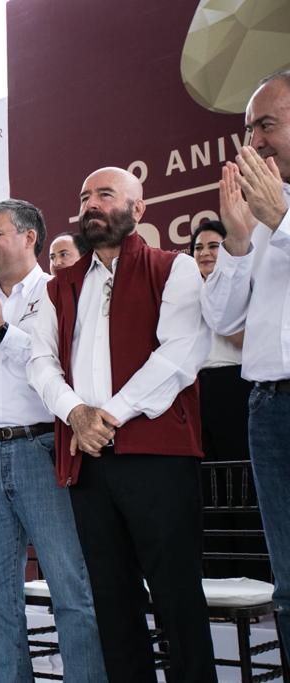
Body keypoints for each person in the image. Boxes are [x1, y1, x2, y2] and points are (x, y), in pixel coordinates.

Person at [29, 167, 215, 681]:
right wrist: (76, 413)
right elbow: (39, 362)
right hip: (88, 461)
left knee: (177, 596)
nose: (91, 204)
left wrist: (106, 416)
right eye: (84, 196)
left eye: (105, 195)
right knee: (112, 601)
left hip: (157, 458)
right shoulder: (59, 286)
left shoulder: (171, 267)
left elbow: (180, 354)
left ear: (137, 209)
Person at [0, 200, 105, 682]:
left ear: (29, 237)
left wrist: (1, 332)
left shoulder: (56, 293)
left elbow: (59, 365)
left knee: (71, 586)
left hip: (42, 449)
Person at [201, 69, 290, 655]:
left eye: (267, 125)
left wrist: (281, 221)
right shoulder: (256, 216)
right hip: (269, 410)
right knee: (289, 581)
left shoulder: (275, 213)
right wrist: (237, 240)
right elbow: (222, 315)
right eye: (249, 128)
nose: (254, 141)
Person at [192, 221, 261, 580]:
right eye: (199, 247)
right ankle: (218, 574)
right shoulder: (186, 291)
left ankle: (254, 572)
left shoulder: (245, 287)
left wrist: (217, 306)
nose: (205, 253)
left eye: (214, 246)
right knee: (207, 485)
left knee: (241, 482)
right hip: (196, 390)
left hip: (235, 385)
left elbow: (242, 337)